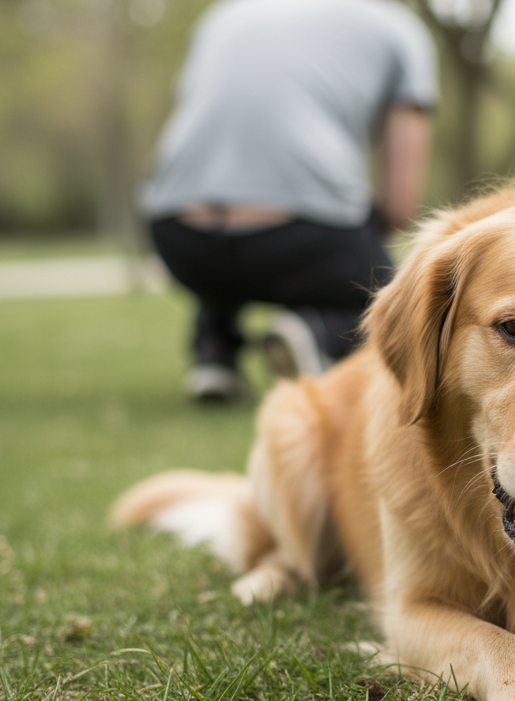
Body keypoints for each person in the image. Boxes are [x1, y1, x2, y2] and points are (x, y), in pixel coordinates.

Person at [141, 0, 437, 401]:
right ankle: (315, 333)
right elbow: (400, 206)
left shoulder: (224, 15)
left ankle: (213, 352)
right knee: (394, 299)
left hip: (176, 233)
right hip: (298, 237)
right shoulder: (399, 29)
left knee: (235, 234)